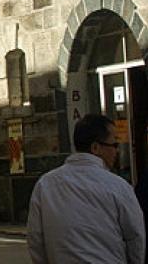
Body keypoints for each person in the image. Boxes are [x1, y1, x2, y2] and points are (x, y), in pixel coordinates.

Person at [27, 113, 145, 264]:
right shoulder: (118, 186)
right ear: (96, 148)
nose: (117, 151)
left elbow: (36, 240)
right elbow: (135, 237)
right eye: (114, 145)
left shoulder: (46, 185)